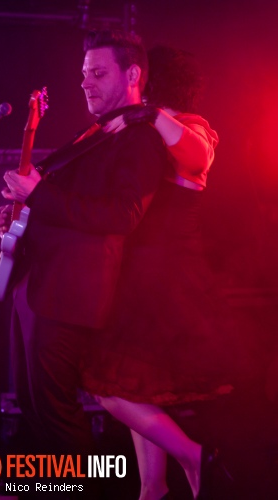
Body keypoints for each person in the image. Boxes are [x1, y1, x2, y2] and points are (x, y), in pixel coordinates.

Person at [0, 29, 169, 496]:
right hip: (38, 285)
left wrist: (38, 194)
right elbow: (62, 201)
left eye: (98, 73)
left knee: (57, 415)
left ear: (133, 75)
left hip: (68, 294)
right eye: (83, 74)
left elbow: (122, 214)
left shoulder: (140, 138)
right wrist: (20, 213)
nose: (86, 83)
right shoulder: (95, 133)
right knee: (34, 408)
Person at [80, 46, 243, 499]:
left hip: (168, 278)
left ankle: (194, 458)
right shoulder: (140, 131)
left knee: (108, 385)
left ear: (145, 82)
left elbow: (198, 158)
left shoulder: (184, 125)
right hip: (141, 276)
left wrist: (147, 114)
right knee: (132, 385)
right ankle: (153, 487)